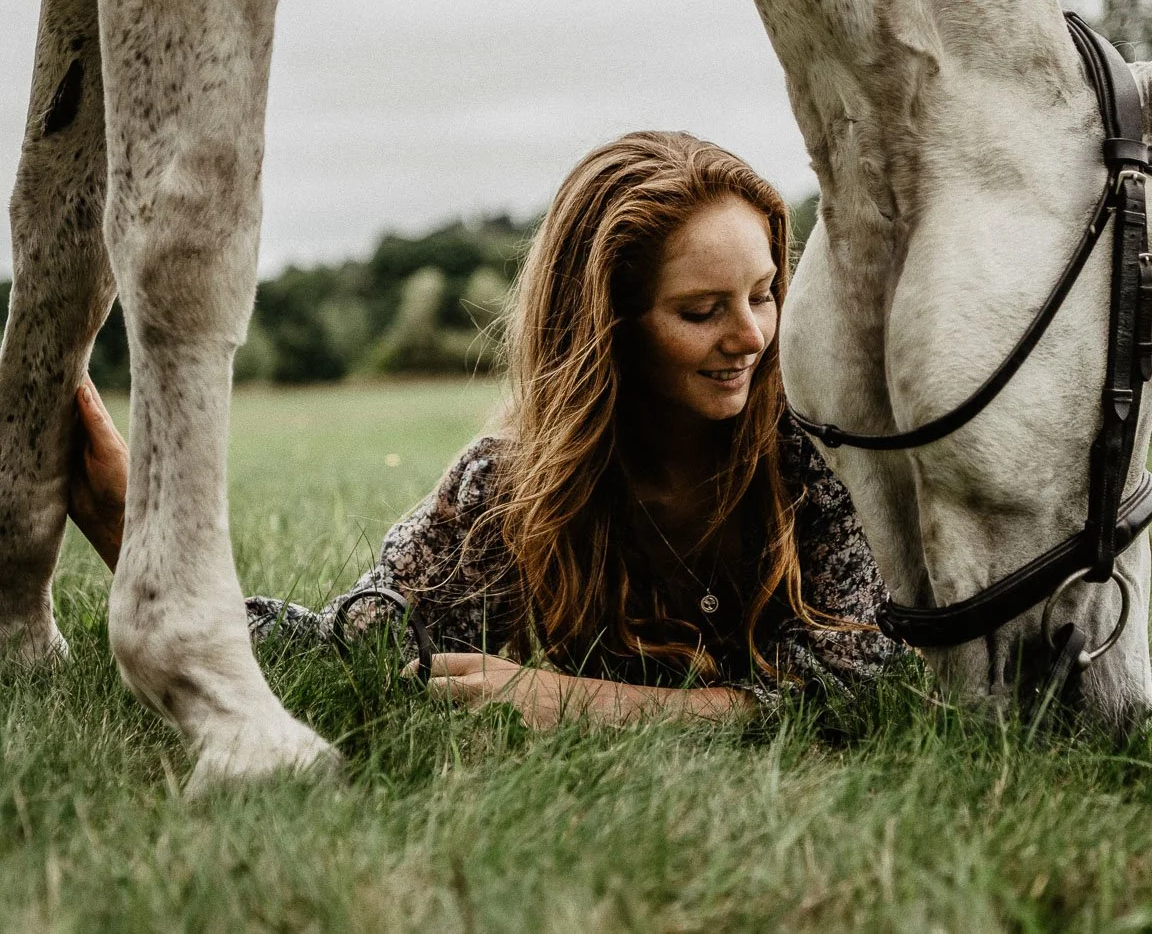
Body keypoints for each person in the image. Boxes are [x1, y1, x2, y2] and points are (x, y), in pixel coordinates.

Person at [66, 131, 907, 728]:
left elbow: (852, 688)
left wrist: (570, 700)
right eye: (702, 310)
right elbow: (350, 649)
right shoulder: (511, 489)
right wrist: (143, 540)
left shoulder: (819, 446)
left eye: (763, 293)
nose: (754, 336)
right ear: (608, 324)